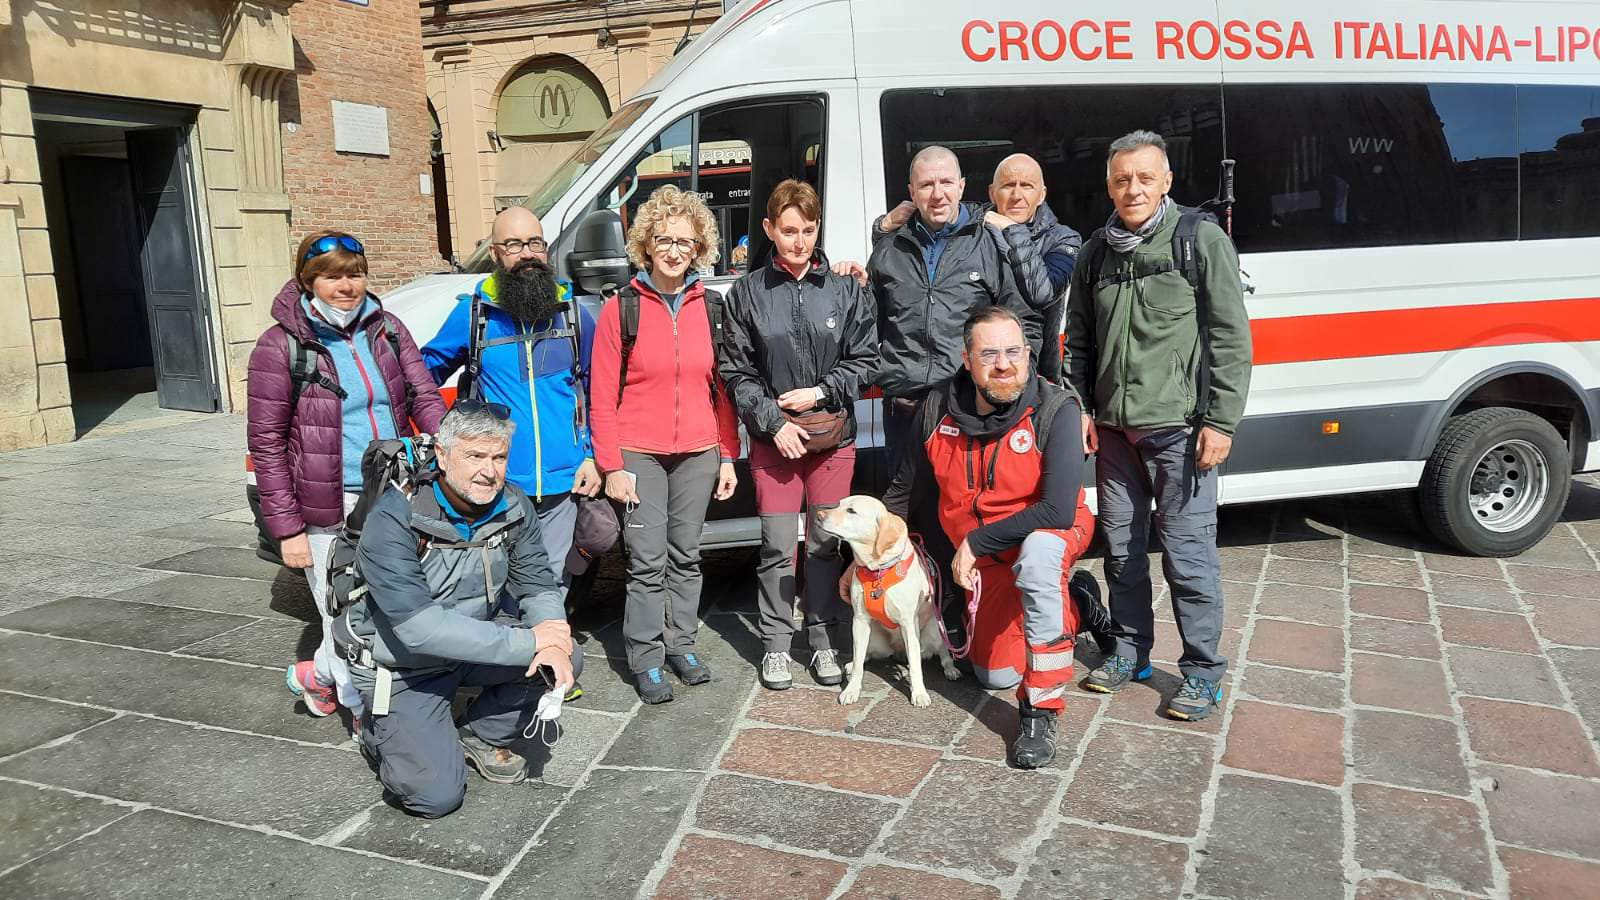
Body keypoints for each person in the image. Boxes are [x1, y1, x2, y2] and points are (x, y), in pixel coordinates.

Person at [1065, 130, 1253, 721]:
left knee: (1187, 556)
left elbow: (1230, 336)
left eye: (1145, 178)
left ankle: (1201, 671)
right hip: (1117, 434)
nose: (1133, 189)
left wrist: (1220, 422)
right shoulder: (1095, 252)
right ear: (1109, 185)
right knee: (1120, 552)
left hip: (1181, 431)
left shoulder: (1201, 240)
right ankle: (1129, 653)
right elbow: (1079, 344)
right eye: (1122, 179)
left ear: (1167, 181)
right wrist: (1084, 410)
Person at [884, 306, 1112, 768]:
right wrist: (872, 555)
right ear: (967, 360)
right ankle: (1080, 604)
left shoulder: (1056, 409)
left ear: (1029, 355)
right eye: (989, 354)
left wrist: (975, 542)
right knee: (992, 675)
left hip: (1050, 531)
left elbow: (1057, 508)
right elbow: (902, 492)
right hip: (987, 561)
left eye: (1014, 352)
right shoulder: (935, 408)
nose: (1004, 364)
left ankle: (1041, 709)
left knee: (1040, 559)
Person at [247, 230, 446, 727]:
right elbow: (267, 444)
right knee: (342, 613)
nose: (346, 286)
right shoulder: (281, 347)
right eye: (332, 276)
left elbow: (422, 395)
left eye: (354, 274)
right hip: (327, 504)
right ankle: (363, 714)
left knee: (390, 601)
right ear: (307, 280)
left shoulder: (389, 330)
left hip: (393, 490)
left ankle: (319, 675)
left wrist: (449, 446)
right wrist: (288, 530)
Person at [347, 403, 581, 817]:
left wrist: (552, 635)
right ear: (442, 455)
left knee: (565, 657)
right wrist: (530, 640)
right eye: (475, 456)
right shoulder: (395, 517)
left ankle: (481, 733)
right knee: (435, 797)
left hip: (471, 646)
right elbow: (419, 629)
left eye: (499, 457)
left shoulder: (512, 504)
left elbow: (537, 582)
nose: (489, 471)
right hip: (405, 666)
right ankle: (379, 730)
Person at [718, 179, 877, 691]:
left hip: (833, 438)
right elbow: (736, 372)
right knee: (777, 546)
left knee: (826, 545)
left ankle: (825, 638)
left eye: (808, 230)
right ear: (769, 229)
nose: (799, 241)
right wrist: (773, 422)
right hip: (776, 445)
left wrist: (821, 392)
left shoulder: (846, 288)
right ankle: (776, 645)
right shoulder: (746, 294)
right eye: (788, 231)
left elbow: (867, 358)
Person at [590, 184, 741, 704]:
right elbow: (601, 394)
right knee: (647, 560)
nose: (675, 250)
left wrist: (727, 454)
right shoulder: (621, 309)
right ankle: (647, 657)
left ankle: (681, 644)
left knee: (687, 556)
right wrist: (612, 464)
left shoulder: (713, 308)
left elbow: (723, 390)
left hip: (699, 451)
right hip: (639, 453)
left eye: (685, 241)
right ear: (646, 246)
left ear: (700, 247)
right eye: (664, 240)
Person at [423, 207, 602, 590]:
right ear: (495, 253)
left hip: (563, 481)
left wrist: (590, 455)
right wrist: (449, 436)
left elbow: (597, 389)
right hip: (496, 481)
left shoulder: (571, 314)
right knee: (494, 581)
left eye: (535, 243)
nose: (527, 254)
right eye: (514, 244)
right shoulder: (475, 314)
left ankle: (546, 646)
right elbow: (423, 373)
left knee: (552, 580)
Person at [981, 153, 1083, 383]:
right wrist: (882, 228)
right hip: (975, 370)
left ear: (1042, 195)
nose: (1017, 195)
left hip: (1036, 374)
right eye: (1008, 185)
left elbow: (1042, 293)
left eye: (1026, 185)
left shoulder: (1064, 239)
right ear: (992, 192)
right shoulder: (973, 232)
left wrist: (1012, 230)